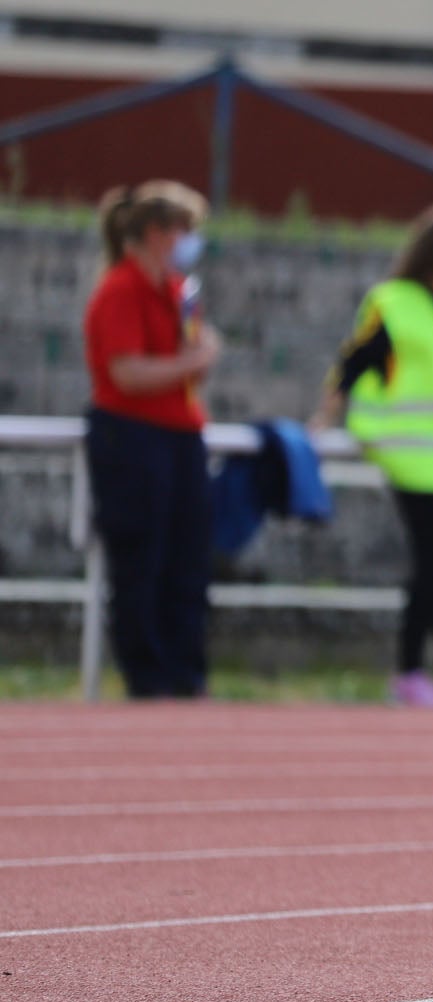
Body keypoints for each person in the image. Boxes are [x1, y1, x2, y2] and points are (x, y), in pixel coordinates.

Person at [314, 202, 433, 709]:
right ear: (431, 247)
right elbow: (354, 362)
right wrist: (323, 419)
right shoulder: (394, 301)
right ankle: (410, 671)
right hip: (410, 453)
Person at [82, 181, 220, 699]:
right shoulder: (121, 289)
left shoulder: (180, 291)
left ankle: (187, 673)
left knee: (187, 561)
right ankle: (149, 676)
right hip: (133, 435)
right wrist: (192, 360)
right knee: (142, 560)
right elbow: (129, 373)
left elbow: (189, 365)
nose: (191, 240)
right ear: (156, 233)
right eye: (184, 229)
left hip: (181, 433)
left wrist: (196, 357)